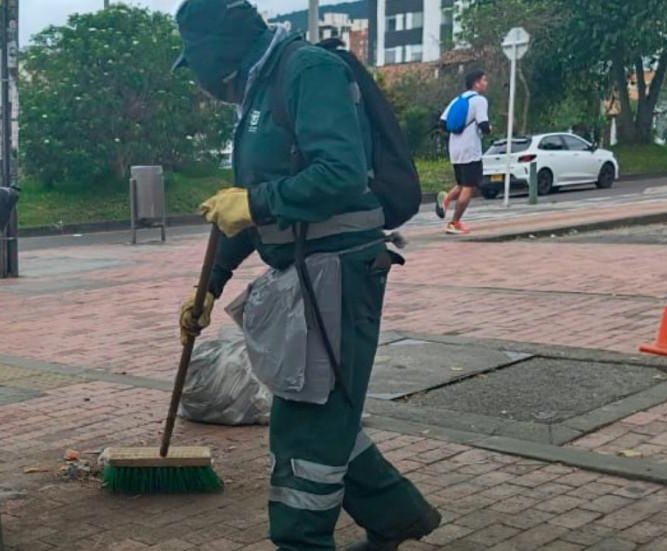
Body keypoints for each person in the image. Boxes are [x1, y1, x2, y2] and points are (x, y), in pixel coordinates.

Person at [173, 1, 440, 549]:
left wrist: (254, 201)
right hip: (306, 274)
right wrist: (210, 286)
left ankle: (302, 540)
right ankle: (396, 515)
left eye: (195, 62)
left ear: (217, 51)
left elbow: (340, 173)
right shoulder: (260, 89)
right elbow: (253, 210)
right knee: (324, 414)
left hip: (338, 272)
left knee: (306, 425)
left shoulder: (307, 71)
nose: (199, 80)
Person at [436, 71, 491, 235]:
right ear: (476, 83)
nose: (486, 83)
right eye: (484, 80)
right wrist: (488, 129)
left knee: (461, 183)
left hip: (455, 149)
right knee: (469, 187)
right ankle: (454, 223)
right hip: (470, 150)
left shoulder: (457, 99)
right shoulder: (480, 100)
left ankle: (445, 200)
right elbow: (484, 125)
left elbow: (442, 123)